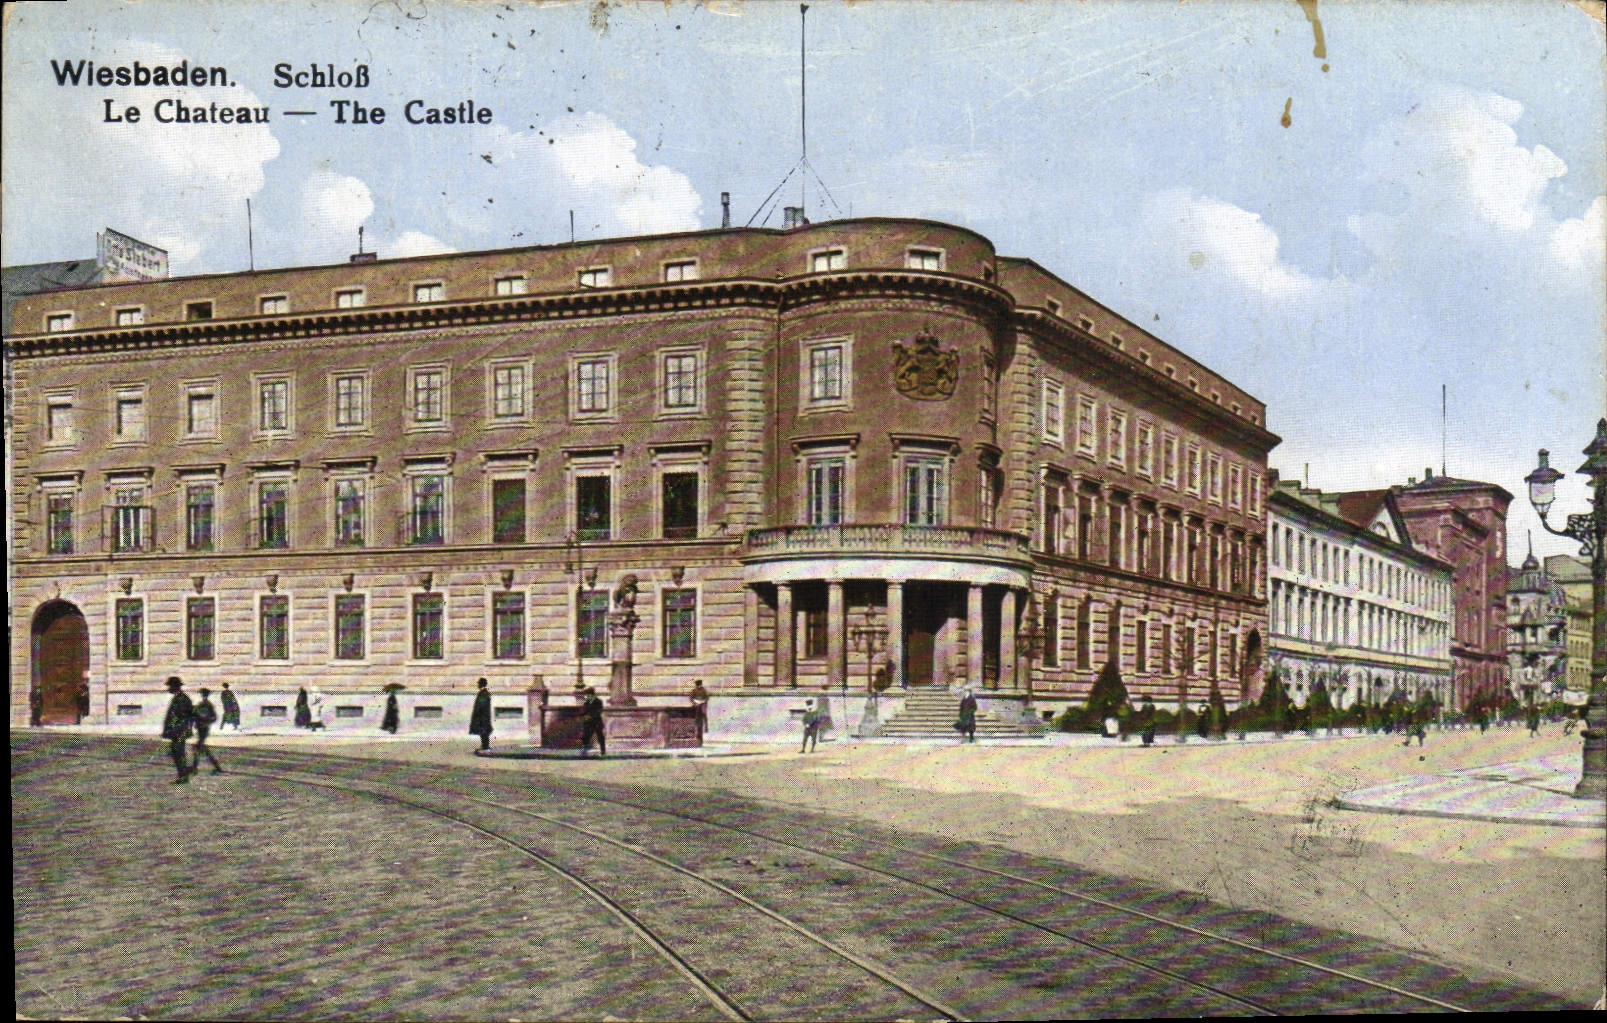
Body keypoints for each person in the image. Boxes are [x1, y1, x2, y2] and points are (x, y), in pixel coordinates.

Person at [161, 677, 195, 783]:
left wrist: (176, 729)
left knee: (178, 752)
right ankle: (183, 774)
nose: (168, 688)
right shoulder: (179, 697)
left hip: (180, 731)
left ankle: (183, 776)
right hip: (177, 731)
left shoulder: (182, 699)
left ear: (175, 686)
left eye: (170, 686)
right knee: (177, 752)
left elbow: (184, 716)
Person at [190, 687, 224, 775]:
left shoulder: (208, 705)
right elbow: (195, 713)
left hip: (204, 729)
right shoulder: (202, 704)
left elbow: (214, 717)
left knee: (198, 748)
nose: (202, 695)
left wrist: (206, 722)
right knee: (201, 748)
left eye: (203, 694)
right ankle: (216, 767)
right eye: (202, 694)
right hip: (201, 728)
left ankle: (195, 768)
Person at [580, 686, 606, 756]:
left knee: (600, 737)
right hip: (589, 723)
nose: (586, 696)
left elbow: (599, 711)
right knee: (586, 736)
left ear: (591, 694)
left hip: (597, 722)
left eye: (587, 694)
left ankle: (603, 751)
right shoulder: (587, 702)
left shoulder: (598, 701)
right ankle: (584, 751)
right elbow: (583, 711)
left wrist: (590, 716)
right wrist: (584, 715)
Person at [469, 677, 493, 751]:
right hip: (483, 716)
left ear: (481, 684)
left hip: (482, 716)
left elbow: (481, 705)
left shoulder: (483, 693)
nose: (477, 685)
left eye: (478, 683)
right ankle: (484, 746)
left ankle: (485, 746)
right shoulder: (484, 693)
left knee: (484, 731)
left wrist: (476, 713)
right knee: (483, 731)